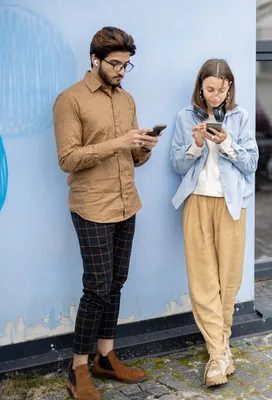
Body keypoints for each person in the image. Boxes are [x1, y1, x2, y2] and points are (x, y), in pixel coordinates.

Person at [53, 26, 159, 400]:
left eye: (127, 65)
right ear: (94, 60)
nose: (121, 71)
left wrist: (143, 146)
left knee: (116, 284)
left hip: (126, 203)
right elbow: (67, 158)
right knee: (96, 289)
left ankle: (105, 356)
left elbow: (133, 158)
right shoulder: (71, 100)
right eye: (115, 64)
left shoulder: (126, 100)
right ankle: (77, 367)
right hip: (92, 208)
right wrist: (117, 142)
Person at [170, 59, 258, 387]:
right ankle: (219, 356)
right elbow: (177, 166)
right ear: (200, 88)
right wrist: (195, 145)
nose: (216, 95)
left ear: (230, 88)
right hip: (196, 202)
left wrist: (227, 144)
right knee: (202, 280)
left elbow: (251, 164)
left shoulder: (241, 117)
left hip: (231, 204)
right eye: (210, 89)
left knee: (228, 280)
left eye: (222, 89)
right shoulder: (185, 117)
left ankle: (219, 351)